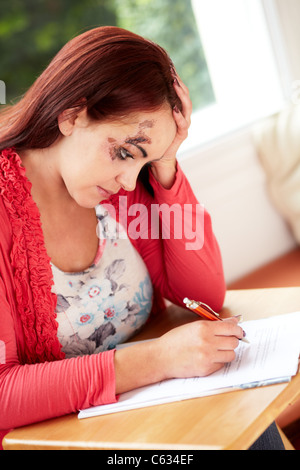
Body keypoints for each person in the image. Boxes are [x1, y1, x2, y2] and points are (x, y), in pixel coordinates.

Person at [0, 26, 283, 450]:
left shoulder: (121, 192)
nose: (130, 181)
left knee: (250, 426)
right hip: (66, 438)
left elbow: (202, 292)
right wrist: (159, 359)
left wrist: (166, 163)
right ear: (72, 115)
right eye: (126, 152)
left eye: (143, 161)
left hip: (143, 412)